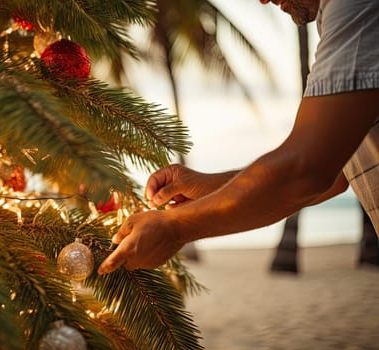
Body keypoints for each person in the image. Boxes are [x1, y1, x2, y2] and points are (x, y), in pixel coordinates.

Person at [98, 0, 379, 275]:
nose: (263, 0)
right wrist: (210, 187)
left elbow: (306, 170)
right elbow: (336, 171)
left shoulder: (356, 7)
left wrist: (175, 228)